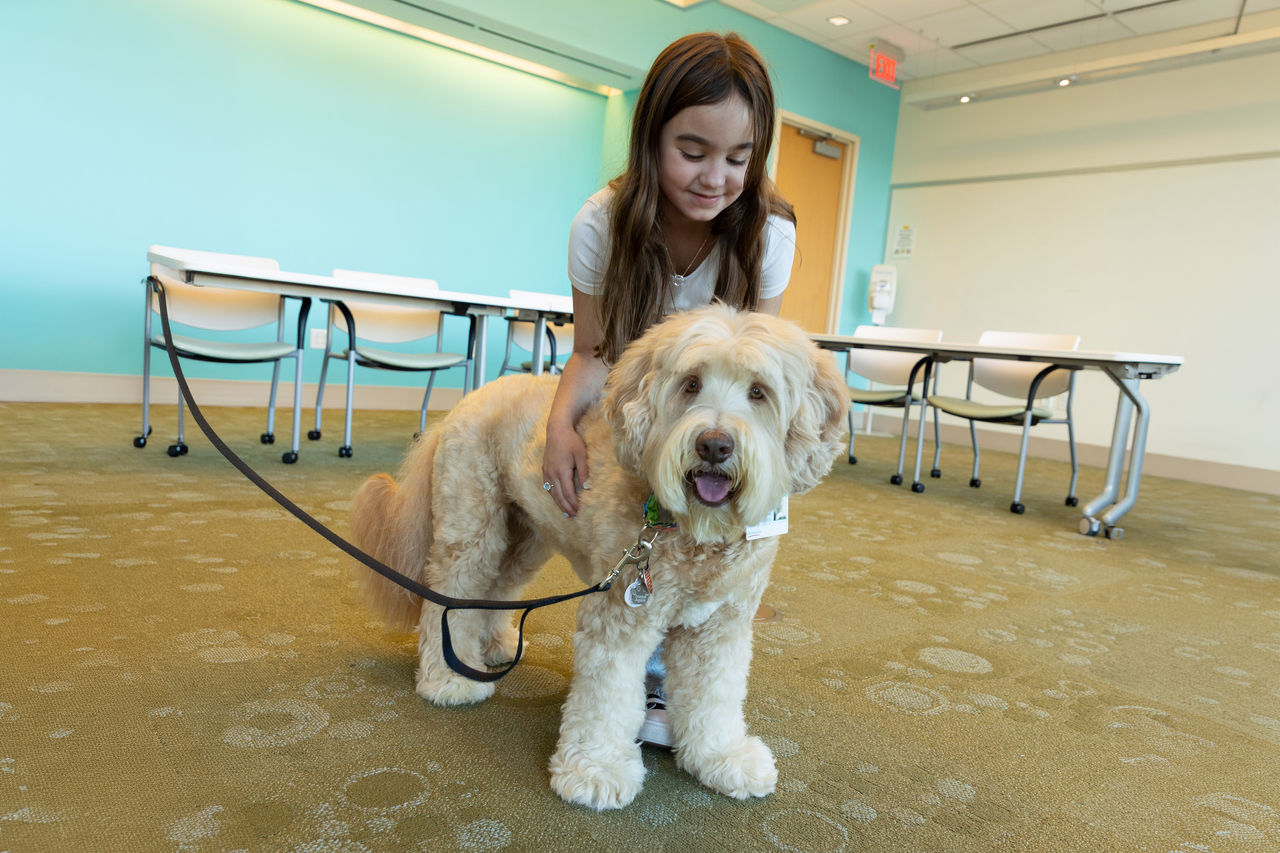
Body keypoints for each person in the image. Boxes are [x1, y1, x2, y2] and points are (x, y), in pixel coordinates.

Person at [541, 31, 797, 748]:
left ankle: (693, 682)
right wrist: (560, 425)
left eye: (738, 158)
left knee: (730, 539)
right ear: (650, 137)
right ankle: (639, 666)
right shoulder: (600, 224)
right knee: (633, 531)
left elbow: (756, 366)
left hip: (717, 414)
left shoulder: (769, 233)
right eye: (693, 151)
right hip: (650, 407)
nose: (715, 176)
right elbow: (593, 351)